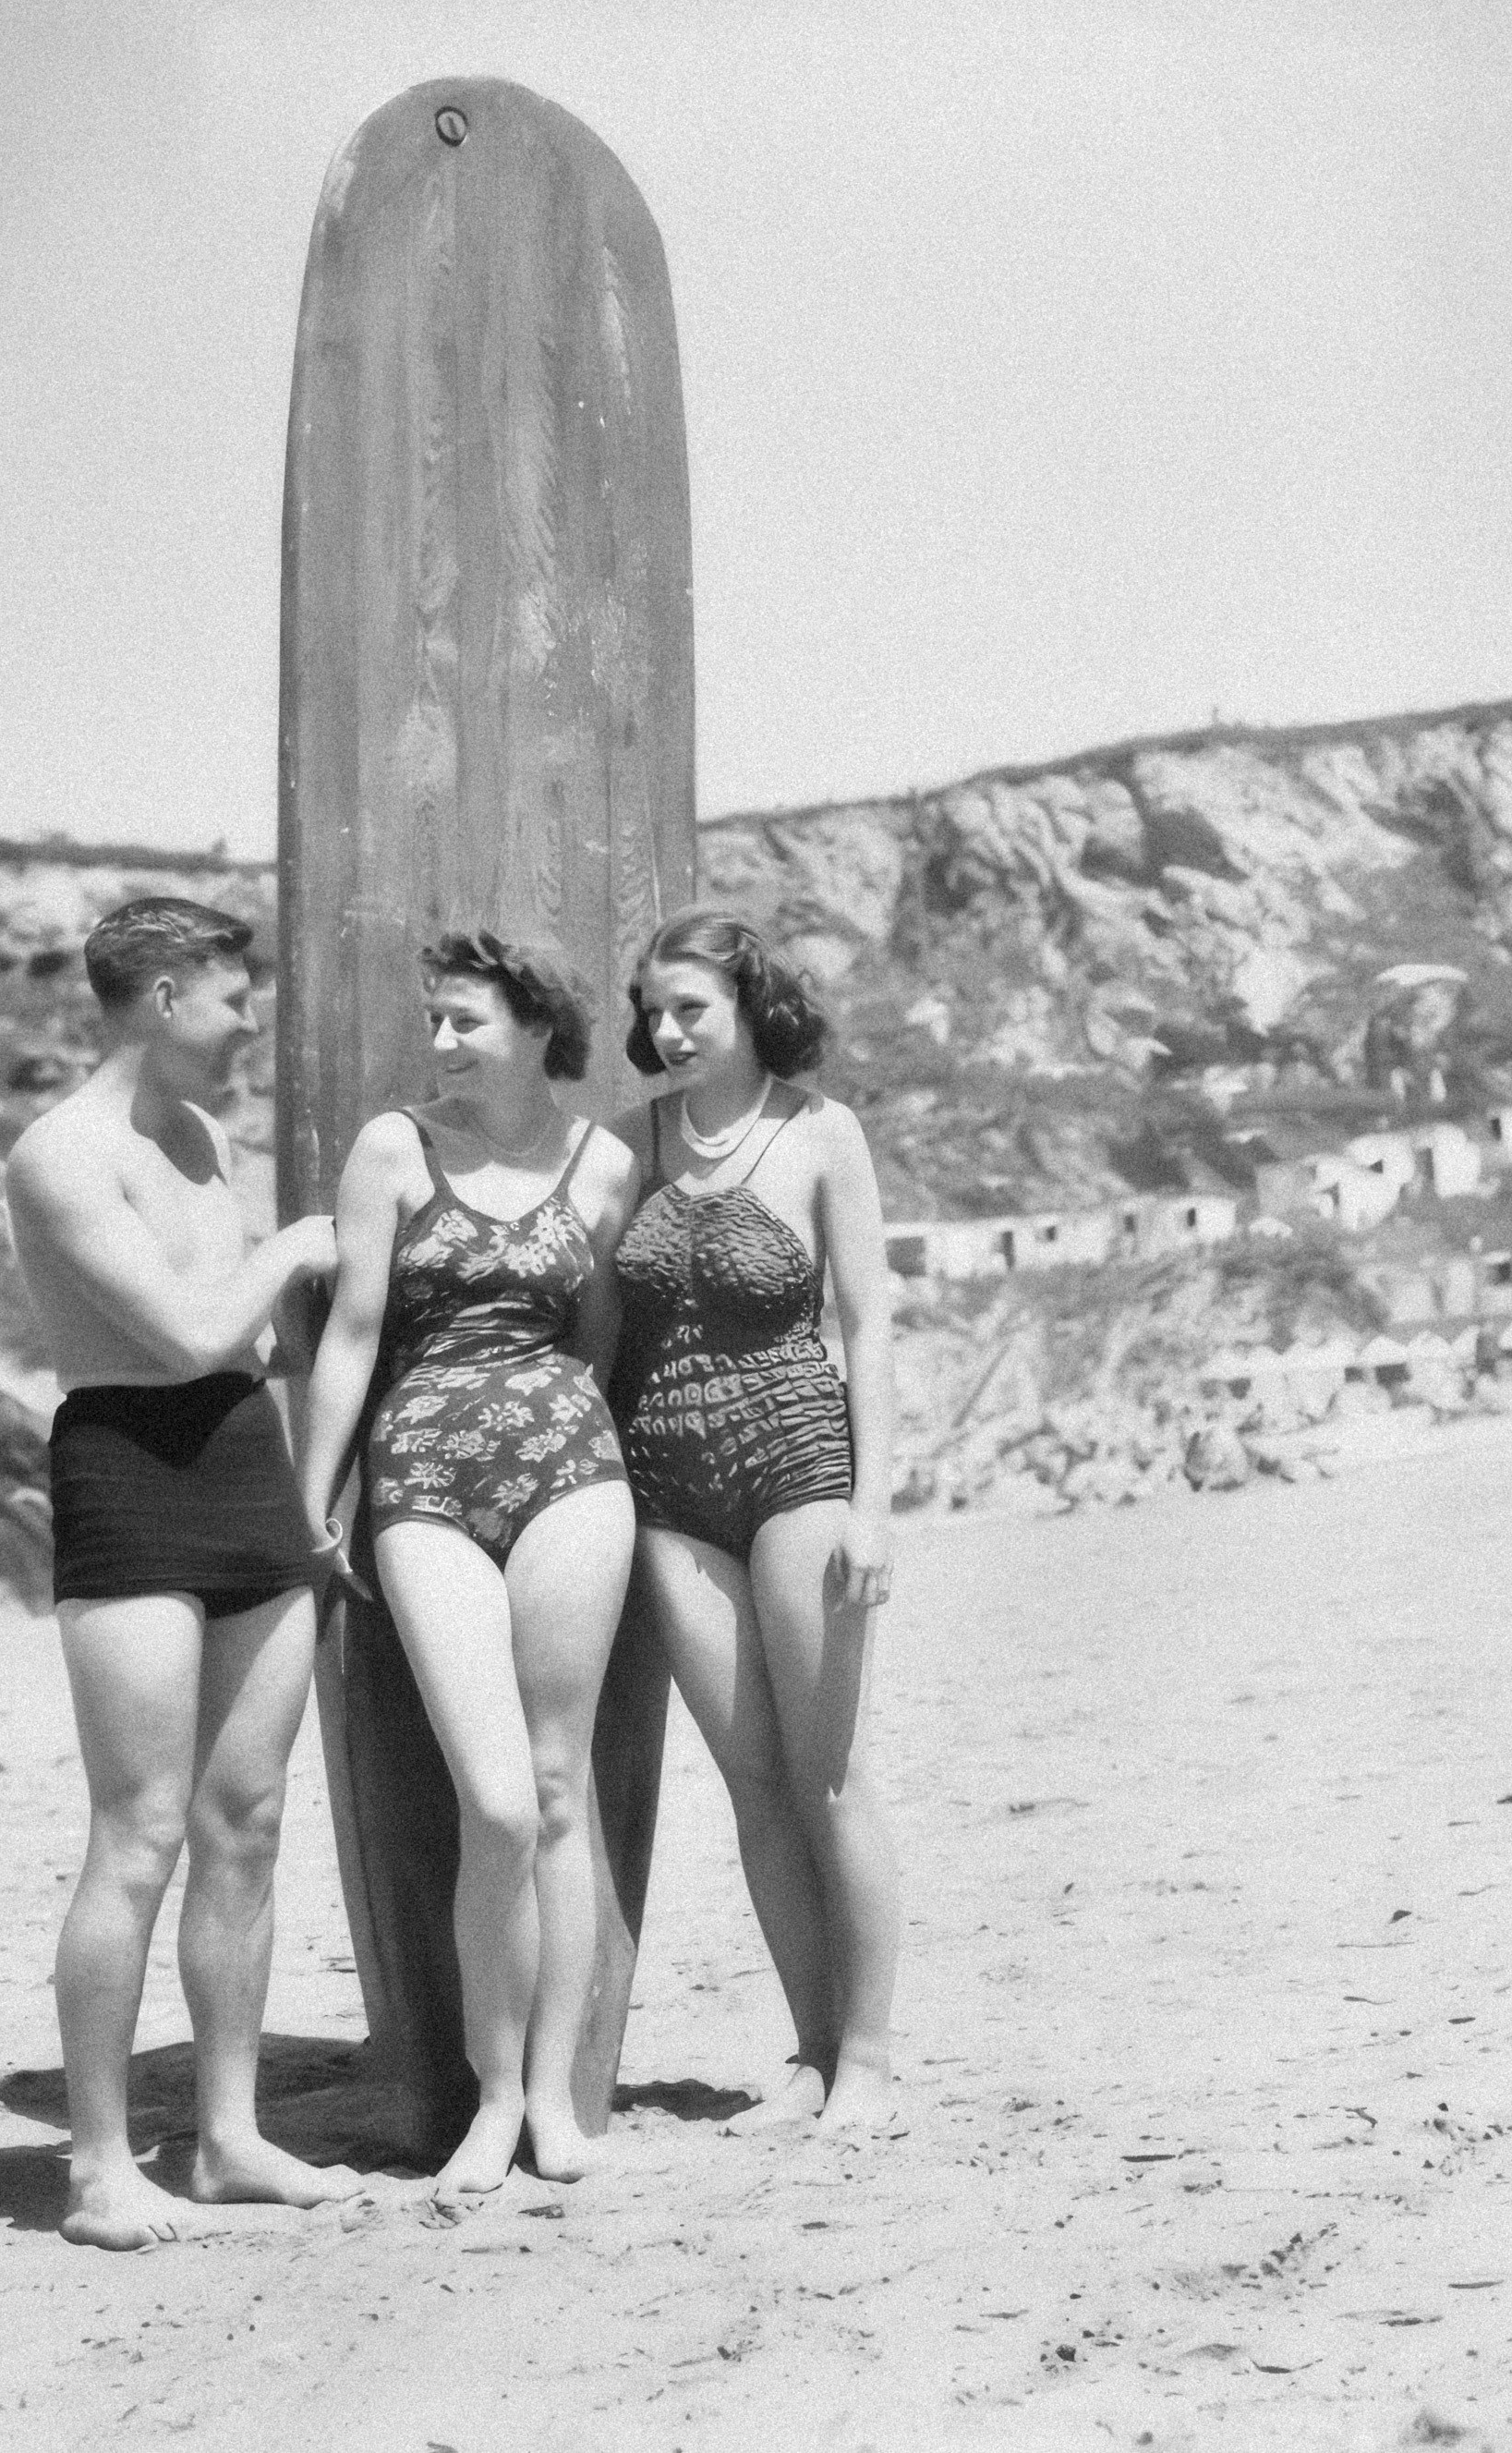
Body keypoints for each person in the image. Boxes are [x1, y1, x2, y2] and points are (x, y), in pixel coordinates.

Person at [5, 895, 359, 2250]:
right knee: (140, 1830)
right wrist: (297, 1245)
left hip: (243, 1471)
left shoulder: (202, 1137)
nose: (249, 1024)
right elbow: (190, 1331)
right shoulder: (62, 1154)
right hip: (130, 1474)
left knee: (246, 1818)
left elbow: (242, 1355)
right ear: (161, 1000)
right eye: (230, 1000)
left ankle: (226, 2136)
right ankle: (99, 2165)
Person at [296, 931, 639, 2198]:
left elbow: (595, 1334)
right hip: (424, 1478)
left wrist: (561, 1437)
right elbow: (355, 1332)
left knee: (559, 1789)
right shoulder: (397, 1147)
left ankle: (550, 2100)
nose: (437, 1044)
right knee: (492, 1801)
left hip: (570, 1470)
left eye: (464, 1023)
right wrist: (314, 1496)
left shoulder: (602, 1163)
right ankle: (491, 2097)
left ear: (539, 1026)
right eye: (434, 1021)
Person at [611, 907, 901, 2134]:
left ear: (748, 1009)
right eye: (653, 1011)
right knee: (754, 1787)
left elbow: (869, 1318)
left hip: (796, 1459)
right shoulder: (631, 1145)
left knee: (826, 1776)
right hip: (667, 1483)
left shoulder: (819, 1132)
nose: (667, 1031)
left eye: (691, 1009)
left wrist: (873, 1506)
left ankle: (872, 2065)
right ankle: (809, 2051)